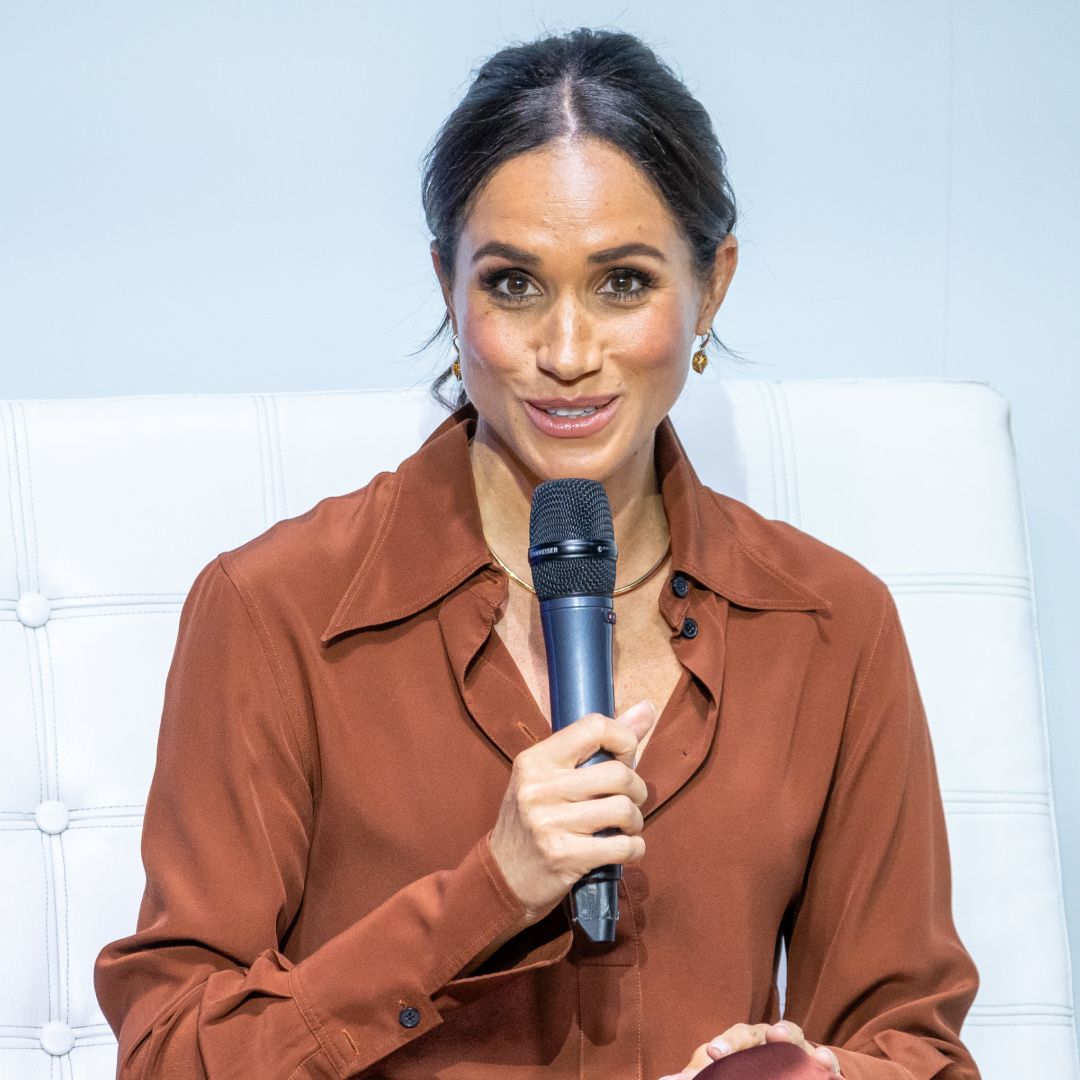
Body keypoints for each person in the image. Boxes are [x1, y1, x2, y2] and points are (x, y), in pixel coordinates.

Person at [93, 26, 982, 1080]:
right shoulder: (275, 609)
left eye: (623, 283)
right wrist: (490, 890)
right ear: (448, 287)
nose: (566, 353)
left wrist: (821, 1077)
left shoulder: (831, 625)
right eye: (515, 285)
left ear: (715, 284)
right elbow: (168, 1059)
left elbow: (911, 1045)